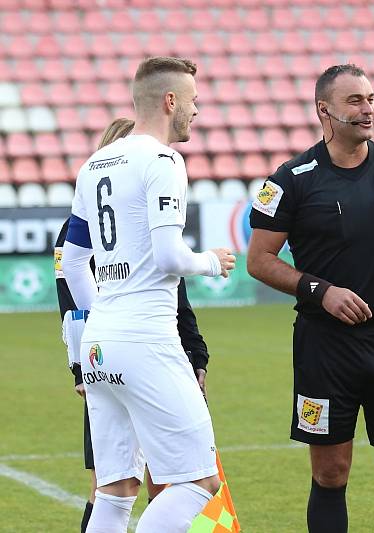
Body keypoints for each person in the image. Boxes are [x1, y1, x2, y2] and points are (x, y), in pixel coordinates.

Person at [246, 63, 374, 533]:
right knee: (330, 473)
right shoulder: (290, 179)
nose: (368, 110)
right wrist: (320, 292)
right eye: (355, 101)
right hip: (325, 347)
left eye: (371, 99)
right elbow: (259, 260)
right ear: (324, 110)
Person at [61, 57, 235, 533]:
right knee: (198, 482)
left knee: (114, 492)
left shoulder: (93, 164)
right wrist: (211, 262)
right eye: (194, 100)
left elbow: (73, 262)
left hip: (99, 342)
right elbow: (170, 257)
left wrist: (105, 316)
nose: (196, 110)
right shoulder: (163, 161)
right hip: (145, 339)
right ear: (170, 100)